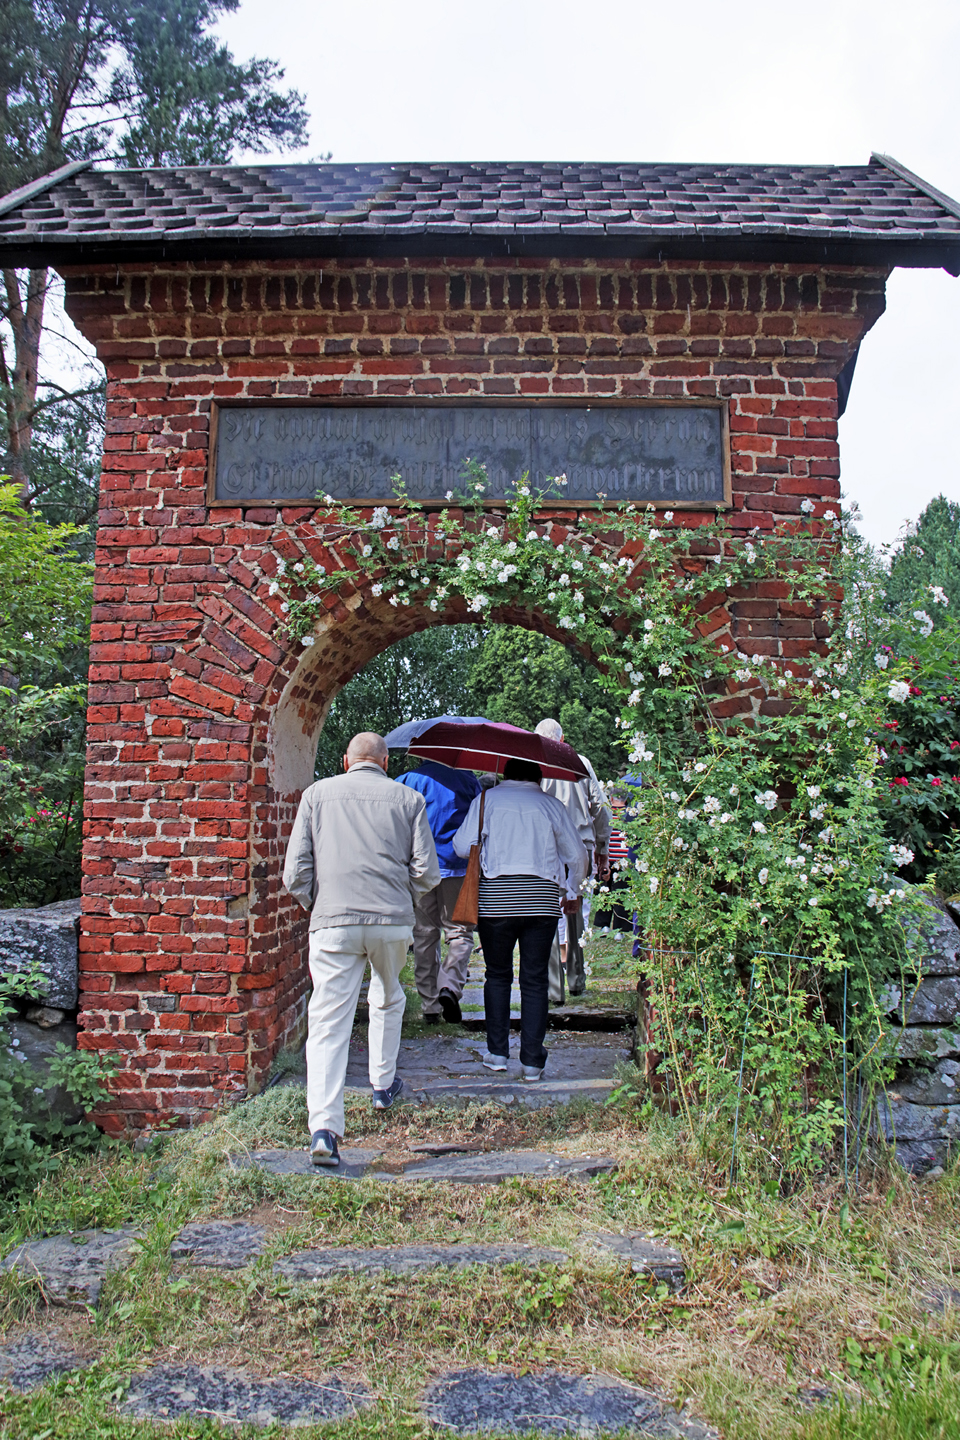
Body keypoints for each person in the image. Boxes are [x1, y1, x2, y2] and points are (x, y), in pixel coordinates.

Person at [282, 731, 440, 1167]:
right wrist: (401, 897)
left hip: (333, 920)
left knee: (329, 1019)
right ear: (385, 763)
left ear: (346, 761)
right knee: (388, 997)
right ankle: (383, 1086)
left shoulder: (316, 795)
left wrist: (320, 902)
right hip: (391, 921)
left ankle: (324, 1129)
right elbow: (427, 871)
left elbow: (294, 871)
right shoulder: (408, 800)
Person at [453, 757, 586, 1081]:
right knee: (535, 979)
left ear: (506, 773)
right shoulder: (551, 804)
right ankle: (532, 1062)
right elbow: (578, 856)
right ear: (539, 777)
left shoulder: (487, 799)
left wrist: (486, 842)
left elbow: (459, 846)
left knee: (497, 976)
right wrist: (571, 890)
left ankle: (497, 1053)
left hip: (496, 902)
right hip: (541, 903)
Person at [395, 758, 481, 1025]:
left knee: (424, 935)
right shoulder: (467, 779)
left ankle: (430, 1006)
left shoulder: (408, 781)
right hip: (457, 867)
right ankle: (450, 986)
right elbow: (481, 817)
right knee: (459, 933)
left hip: (420, 868)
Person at [533, 719, 612, 1001]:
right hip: (581, 843)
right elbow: (601, 807)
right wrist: (603, 847)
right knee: (575, 911)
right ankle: (577, 979)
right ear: (563, 738)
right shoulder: (581, 763)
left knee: (548, 914)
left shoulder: (537, 765)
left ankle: (554, 988)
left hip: (549, 847)